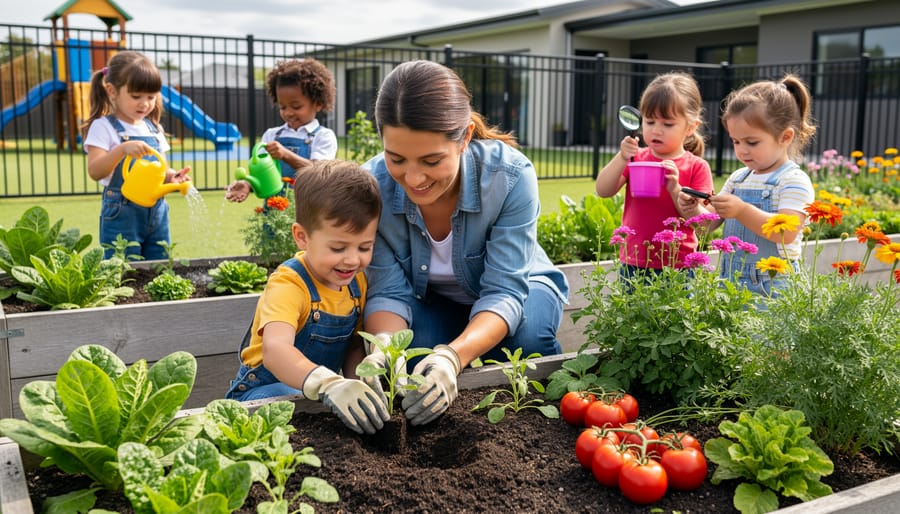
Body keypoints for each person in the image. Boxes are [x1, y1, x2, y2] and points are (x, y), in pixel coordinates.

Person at [360, 60, 569, 427]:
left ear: (465, 137)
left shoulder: (510, 177)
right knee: (409, 362)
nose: (413, 177)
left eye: (431, 160)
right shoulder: (372, 186)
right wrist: (383, 350)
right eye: (396, 158)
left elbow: (504, 290)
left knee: (529, 342)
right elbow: (388, 291)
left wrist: (453, 357)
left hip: (521, 290)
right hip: (432, 300)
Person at [225, 159, 389, 435]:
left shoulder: (355, 283)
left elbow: (351, 347)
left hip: (315, 397)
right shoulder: (289, 284)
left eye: (365, 246)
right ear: (302, 237)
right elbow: (276, 351)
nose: (352, 260)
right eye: (338, 247)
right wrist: (328, 384)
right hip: (262, 397)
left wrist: (357, 382)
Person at [677, 74, 816, 295]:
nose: (741, 150)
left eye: (752, 142)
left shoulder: (793, 180)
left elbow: (787, 232)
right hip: (730, 285)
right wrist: (692, 208)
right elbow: (707, 226)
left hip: (772, 287)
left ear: (786, 137)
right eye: (735, 141)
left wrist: (741, 211)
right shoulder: (739, 178)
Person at [594, 72, 713, 275]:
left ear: (691, 127)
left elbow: (704, 226)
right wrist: (622, 157)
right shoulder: (634, 157)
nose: (656, 130)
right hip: (634, 262)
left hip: (679, 265)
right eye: (649, 122)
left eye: (667, 124)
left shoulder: (697, 167)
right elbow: (603, 190)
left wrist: (675, 190)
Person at [82, 51, 191, 260]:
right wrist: (122, 149)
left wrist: (172, 177)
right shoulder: (103, 127)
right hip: (122, 212)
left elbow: (161, 170)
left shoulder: (153, 128)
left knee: (159, 266)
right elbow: (95, 171)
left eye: (151, 97)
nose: (145, 103)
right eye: (136, 96)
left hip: (157, 212)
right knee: (123, 269)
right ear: (112, 91)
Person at [225, 58, 337, 203]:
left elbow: (319, 172)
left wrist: (286, 155)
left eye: (296, 107)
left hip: (309, 212)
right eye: (283, 107)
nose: (288, 113)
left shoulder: (323, 136)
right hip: (274, 212)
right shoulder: (272, 135)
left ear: (318, 104)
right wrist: (248, 184)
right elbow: (263, 177)